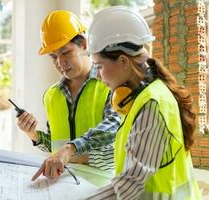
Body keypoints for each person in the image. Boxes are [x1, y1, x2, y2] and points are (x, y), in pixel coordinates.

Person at [32, 6, 202, 199]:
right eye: (54, 56)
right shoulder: (138, 98)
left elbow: (128, 186)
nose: (101, 77)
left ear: (123, 61)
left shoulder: (150, 104)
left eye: (100, 66)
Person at [17, 10, 120, 180]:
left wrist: (69, 153)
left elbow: (115, 145)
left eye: (65, 52)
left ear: (84, 45)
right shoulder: (52, 95)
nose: (60, 62)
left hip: (101, 190)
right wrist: (33, 134)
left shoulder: (108, 84)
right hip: (61, 188)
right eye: (53, 56)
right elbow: (56, 146)